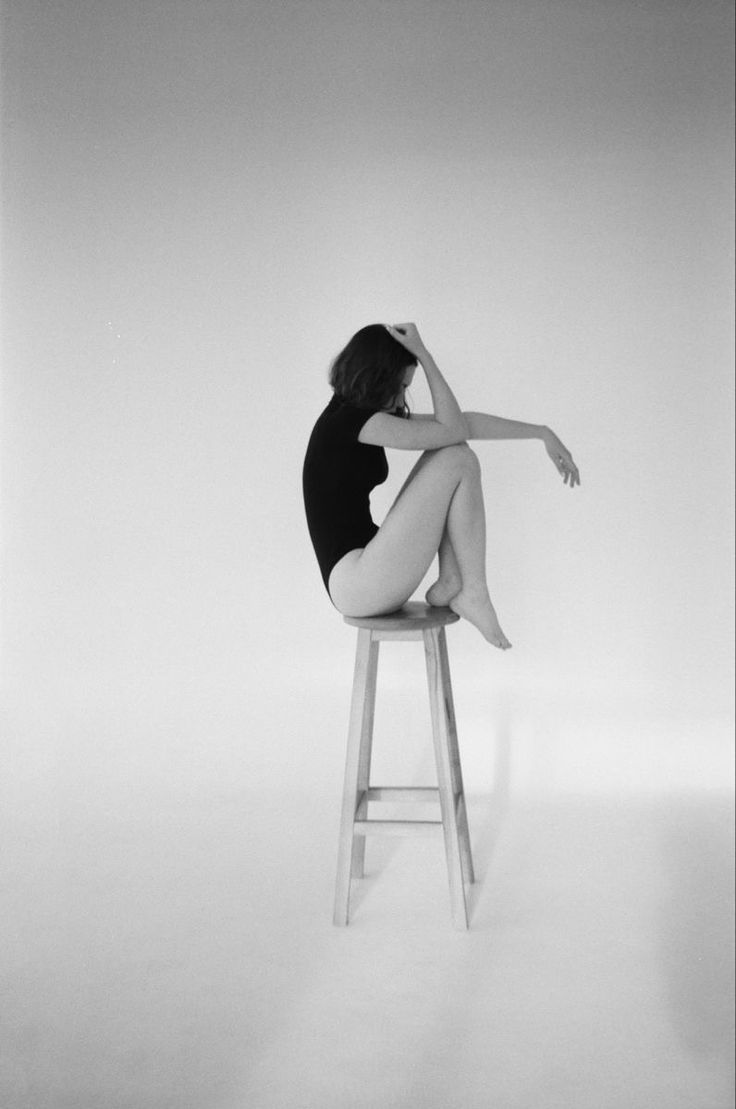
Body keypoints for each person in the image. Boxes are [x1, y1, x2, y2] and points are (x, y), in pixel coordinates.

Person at [302, 322, 580, 650]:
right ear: (378, 377)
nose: (401, 398)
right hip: (358, 583)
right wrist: (424, 355)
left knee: (456, 451)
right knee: (457, 458)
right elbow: (453, 428)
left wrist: (541, 432)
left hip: (367, 574)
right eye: (401, 385)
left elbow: (462, 424)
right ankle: (472, 590)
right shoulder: (355, 424)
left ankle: (453, 582)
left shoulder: (356, 416)